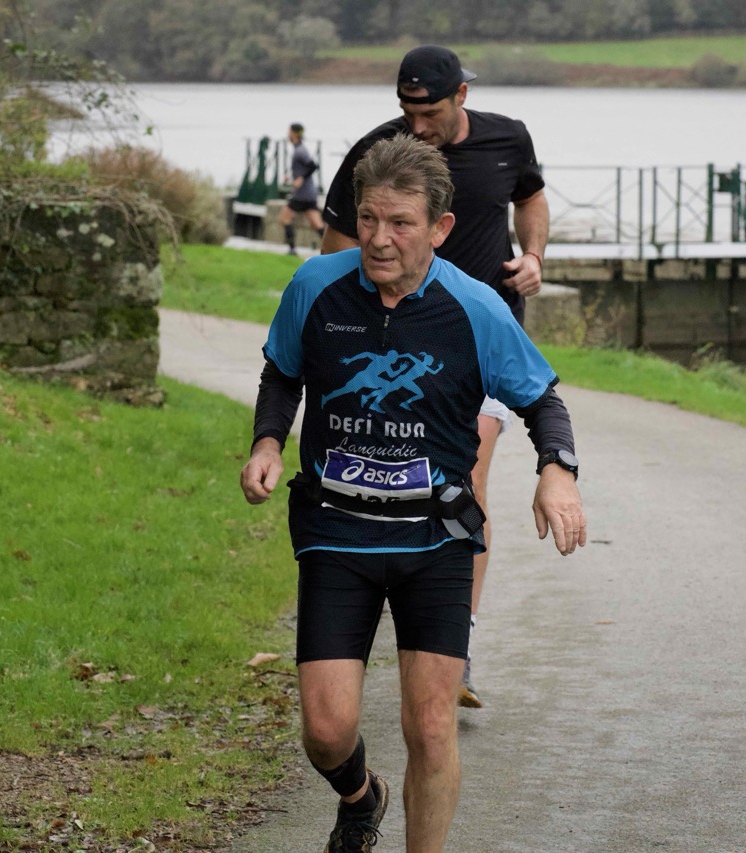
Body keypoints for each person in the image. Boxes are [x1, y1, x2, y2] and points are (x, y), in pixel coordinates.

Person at [240, 134, 585, 853]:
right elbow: (282, 372)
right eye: (368, 219)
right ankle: (360, 795)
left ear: (439, 228)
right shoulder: (315, 286)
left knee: (429, 726)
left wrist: (557, 470)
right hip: (336, 532)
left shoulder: (476, 306)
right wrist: (268, 442)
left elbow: (542, 400)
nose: (378, 238)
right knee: (326, 730)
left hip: (436, 539)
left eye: (400, 223)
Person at [320, 44, 550, 709]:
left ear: (462, 97)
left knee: (465, 476)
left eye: (431, 113)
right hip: (400, 347)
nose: (417, 127)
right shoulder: (378, 154)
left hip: (482, 343)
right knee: (392, 480)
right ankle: (367, 617)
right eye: (407, 111)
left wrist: (534, 256)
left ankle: (456, 645)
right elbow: (337, 248)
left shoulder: (508, 140)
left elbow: (531, 198)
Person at [280, 122, 326, 255]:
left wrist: (301, 178)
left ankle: (292, 249)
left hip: (302, 194)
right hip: (309, 194)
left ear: (294, 134)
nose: (287, 134)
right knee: (317, 224)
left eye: (289, 131)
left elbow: (313, 166)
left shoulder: (300, 151)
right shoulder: (299, 149)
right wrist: (293, 177)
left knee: (284, 217)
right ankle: (334, 250)